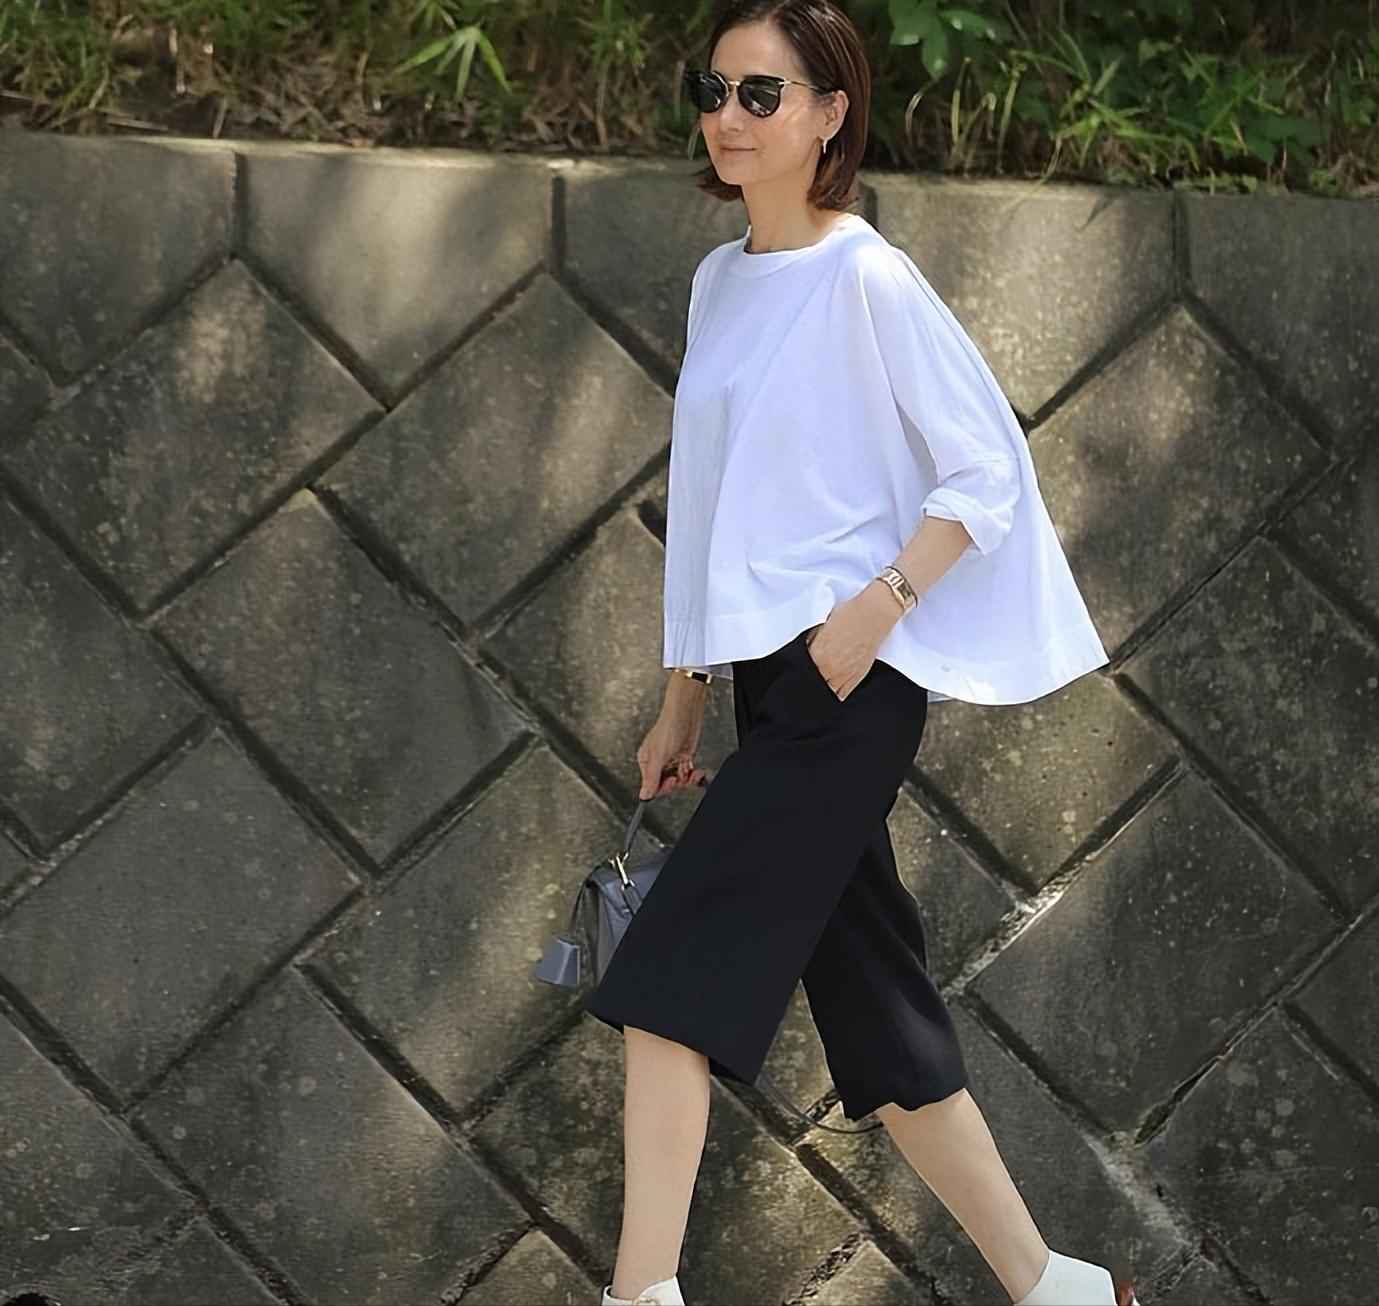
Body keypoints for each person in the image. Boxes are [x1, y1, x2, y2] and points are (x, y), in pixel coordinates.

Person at [582, 3, 1140, 1305]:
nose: (728, 117)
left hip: (849, 684)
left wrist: (882, 604)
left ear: (831, 113)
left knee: (668, 977)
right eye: (713, 90)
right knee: (880, 1012)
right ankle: (1058, 1289)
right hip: (770, 685)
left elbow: (984, 469)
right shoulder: (720, 283)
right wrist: (683, 694)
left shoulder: (866, 276)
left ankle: (639, 1295)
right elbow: (704, 503)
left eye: (761, 94)